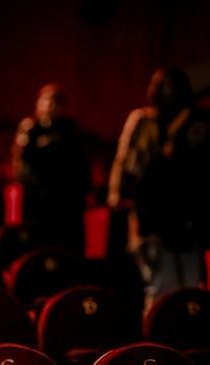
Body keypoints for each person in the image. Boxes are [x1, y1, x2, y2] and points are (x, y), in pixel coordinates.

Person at [109, 67, 209, 309]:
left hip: (188, 218)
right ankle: (156, 341)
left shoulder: (195, 122)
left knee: (190, 292)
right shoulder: (144, 122)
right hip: (153, 216)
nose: (168, 94)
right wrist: (118, 195)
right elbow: (129, 167)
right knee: (160, 289)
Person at [12, 83, 89, 252]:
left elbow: (79, 164)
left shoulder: (70, 129)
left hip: (65, 199)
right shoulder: (31, 128)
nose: (50, 106)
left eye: (55, 102)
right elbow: (22, 164)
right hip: (38, 199)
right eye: (46, 101)